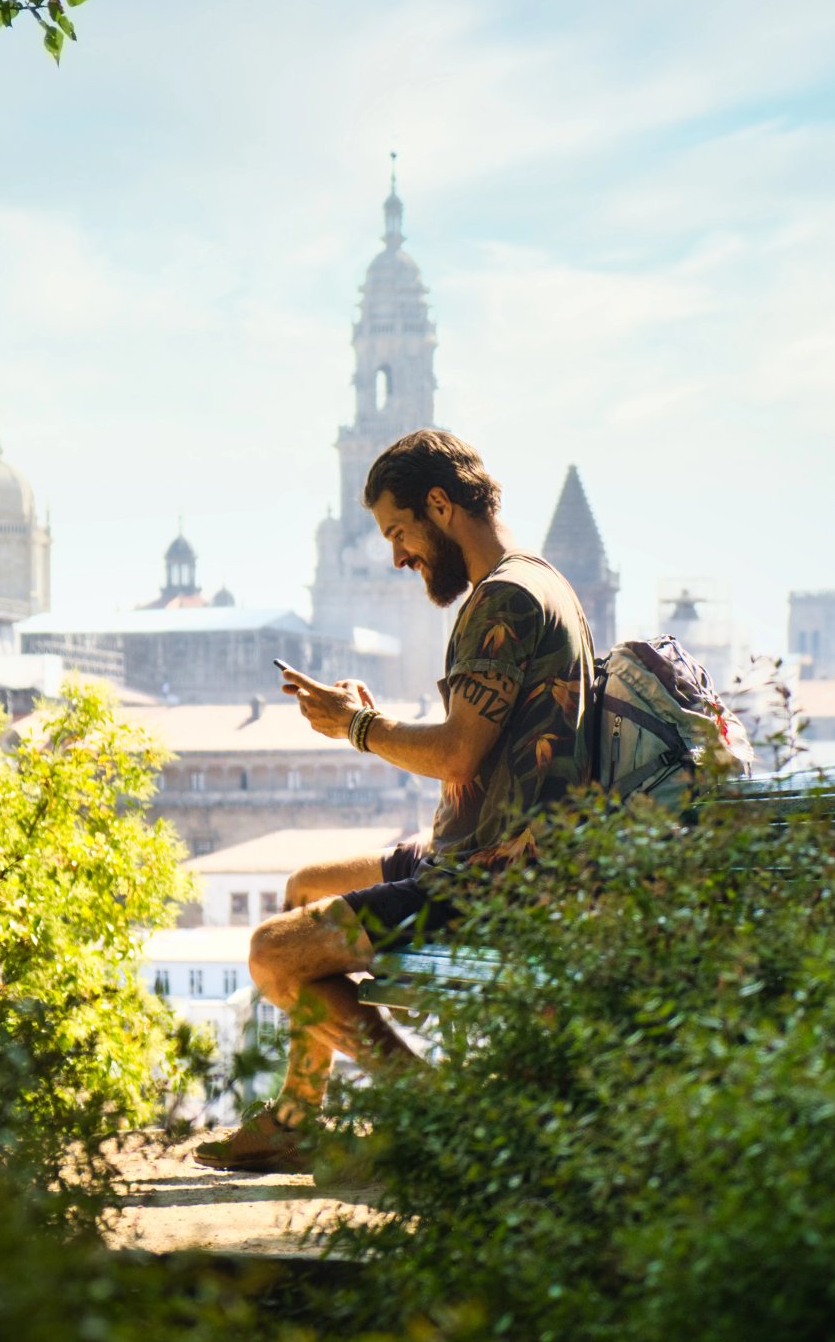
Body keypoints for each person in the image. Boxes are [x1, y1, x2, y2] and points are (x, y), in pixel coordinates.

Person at [196, 429, 594, 1173]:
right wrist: (373, 722)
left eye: (400, 531)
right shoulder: (539, 581)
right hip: (470, 852)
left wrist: (356, 725)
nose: (398, 556)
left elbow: (454, 752)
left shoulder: (505, 597)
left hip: (493, 880)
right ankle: (295, 1118)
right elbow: (472, 753)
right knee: (303, 888)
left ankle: (435, 1113)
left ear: (440, 505)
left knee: (272, 955)